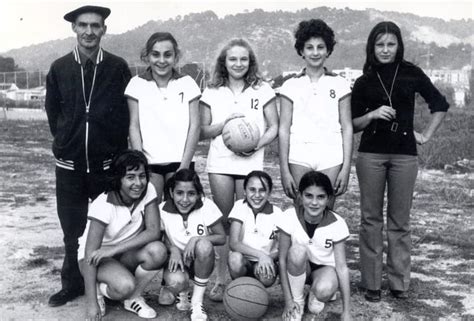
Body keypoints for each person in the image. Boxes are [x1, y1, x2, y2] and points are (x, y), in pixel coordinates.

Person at [351, 21, 449, 302]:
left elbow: (439, 104)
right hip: (370, 155)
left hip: (405, 154)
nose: (385, 49)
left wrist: (426, 135)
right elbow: (352, 124)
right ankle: (371, 284)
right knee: (370, 220)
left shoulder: (412, 73)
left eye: (390, 44)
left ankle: (398, 283)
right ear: (372, 47)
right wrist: (371, 115)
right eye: (379, 44)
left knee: (399, 221)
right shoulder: (364, 80)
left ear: (399, 45)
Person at [45, 5, 131, 307]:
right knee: (72, 230)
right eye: (83, 25)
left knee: (107, 229)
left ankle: (112, 284)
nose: (89, 31)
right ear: (74, 29)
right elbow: (53, 112)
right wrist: (66, 141)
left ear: (104, 30)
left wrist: (112, 148)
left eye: (96, 26)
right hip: (68, 167)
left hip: (105, 167)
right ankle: (73, 284)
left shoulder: (118, 67)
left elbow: (124, 114)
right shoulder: (59, 67)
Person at [199, 38, 279, 300]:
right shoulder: (212, 90)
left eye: (243, 59)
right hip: (220, 163)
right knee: (224, 223)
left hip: (251, 164)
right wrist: (225, 124)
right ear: (224, 61)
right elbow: (203, 130)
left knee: (244, 223)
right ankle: (221, 280)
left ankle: (248, 275)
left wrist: (256, 145)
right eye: (232, 59)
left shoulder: (262, 89)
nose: (238, 64)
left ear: (250, 62)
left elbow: (274, 127)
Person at [78, 150, 167, 320]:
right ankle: (98, 291)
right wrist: (91, 303)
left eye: (142, 176)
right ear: (118, 179)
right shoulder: (103, 204)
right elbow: (89, 254)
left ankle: (133, 298)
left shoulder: (148, 189)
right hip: (96, 258)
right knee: (124, 286)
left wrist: (115, 249)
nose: (138, 183)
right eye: (130, 177)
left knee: (158, 251)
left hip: (122, 252)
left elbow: (153, 231)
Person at [278, 19, 353, 203]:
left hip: (331, 156)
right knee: (301, 213)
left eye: (320, 47)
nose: (315, 52)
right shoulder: (290, 85)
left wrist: (346, 168)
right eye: (309, 47)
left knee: (326, 212)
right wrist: (284, 170)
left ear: (328, 50)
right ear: (301, 51)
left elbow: (347, 127)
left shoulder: (340, 84)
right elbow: (283, 129)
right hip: (299, 155)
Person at [126, 32, 201, 203]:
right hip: (150, 164)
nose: (161, 60)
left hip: (180, 162)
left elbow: (195, 126)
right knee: (151, 215)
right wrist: (141, 164)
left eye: (168, 55)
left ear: (176, 56)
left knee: (178, 214)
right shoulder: (136, 84)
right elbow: (134, 126)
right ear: (147, 56)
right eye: (155, 54)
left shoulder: (188, 83)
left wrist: (184, 166)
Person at [278, 171, 351, 321]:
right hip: (298, 266)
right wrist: (288, 301)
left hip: (323, 269)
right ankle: (298, 300)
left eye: (321, 197)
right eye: (309, 195)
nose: (314, 202)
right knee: (297, 251)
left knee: (324, 290)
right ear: (300, 196)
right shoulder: (289, 217)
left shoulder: (337, 223)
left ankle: (315, 293)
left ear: (329, 199)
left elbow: (342, 267)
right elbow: (282, 260)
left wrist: (346, 311)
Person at [158, 169, 226, 321]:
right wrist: (173, 249)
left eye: (191, 193)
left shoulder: (207, 206)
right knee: (176, 282)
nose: (185, 199)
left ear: (199, 194)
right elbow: (159, 238)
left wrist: (195, 238)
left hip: (200, 260)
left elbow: (221, 237)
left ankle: (197, 301)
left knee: (204, 245)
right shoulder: (162, 209)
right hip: (177, 261)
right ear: (171, 192)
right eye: (179, 193)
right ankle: (181, 291)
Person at [227, 170, 281, 287]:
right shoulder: (239, 206)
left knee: (266, 277)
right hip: (244, 259)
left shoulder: (277, 213)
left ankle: (256, 294)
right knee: (235, 259)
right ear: (245, 191)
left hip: (266, 261)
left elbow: (282, 248)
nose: (257, 195)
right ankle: (241, 289)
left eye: (262, 190)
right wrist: (260, 255)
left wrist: (267, 258)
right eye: (252, 190)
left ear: (269, 192)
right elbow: (233, 243)